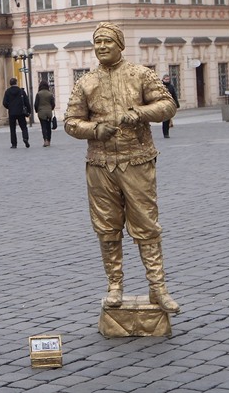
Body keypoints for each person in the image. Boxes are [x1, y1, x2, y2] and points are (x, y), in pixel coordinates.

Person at [64, 22, 180, 314]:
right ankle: (114, 285)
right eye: (98, 42)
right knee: (107, 228)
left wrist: (140, 113)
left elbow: (167, 105)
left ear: (120, 45)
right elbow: (70, 121)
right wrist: (94, 130)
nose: (102, 46)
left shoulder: (140, 74)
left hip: (137, 160)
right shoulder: (85, 82)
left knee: (147, 226)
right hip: (100, 164)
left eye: (107, 41)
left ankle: (158, 287)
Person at [2, 77, 31, 149]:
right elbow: (26, 102)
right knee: (24, 127)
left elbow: (4, 103)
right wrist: (29, 111)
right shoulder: (21, 91)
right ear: (16, 82)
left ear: (10, 84)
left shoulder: (7, 91)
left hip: (12, 113)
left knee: (12, 129)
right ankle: (25, 138)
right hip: (21, 112)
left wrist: (10, 107)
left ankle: (14, 144)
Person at [34, 81, 56, 147]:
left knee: (43, 127)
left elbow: (36, 104)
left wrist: (36, 110)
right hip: (49, 112)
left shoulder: (38, 94)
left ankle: (45, 140)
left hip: (41, 112)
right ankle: (49, 140)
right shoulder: (50, 94)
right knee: (48, 127)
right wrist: (51, 108)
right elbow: (53, 104)